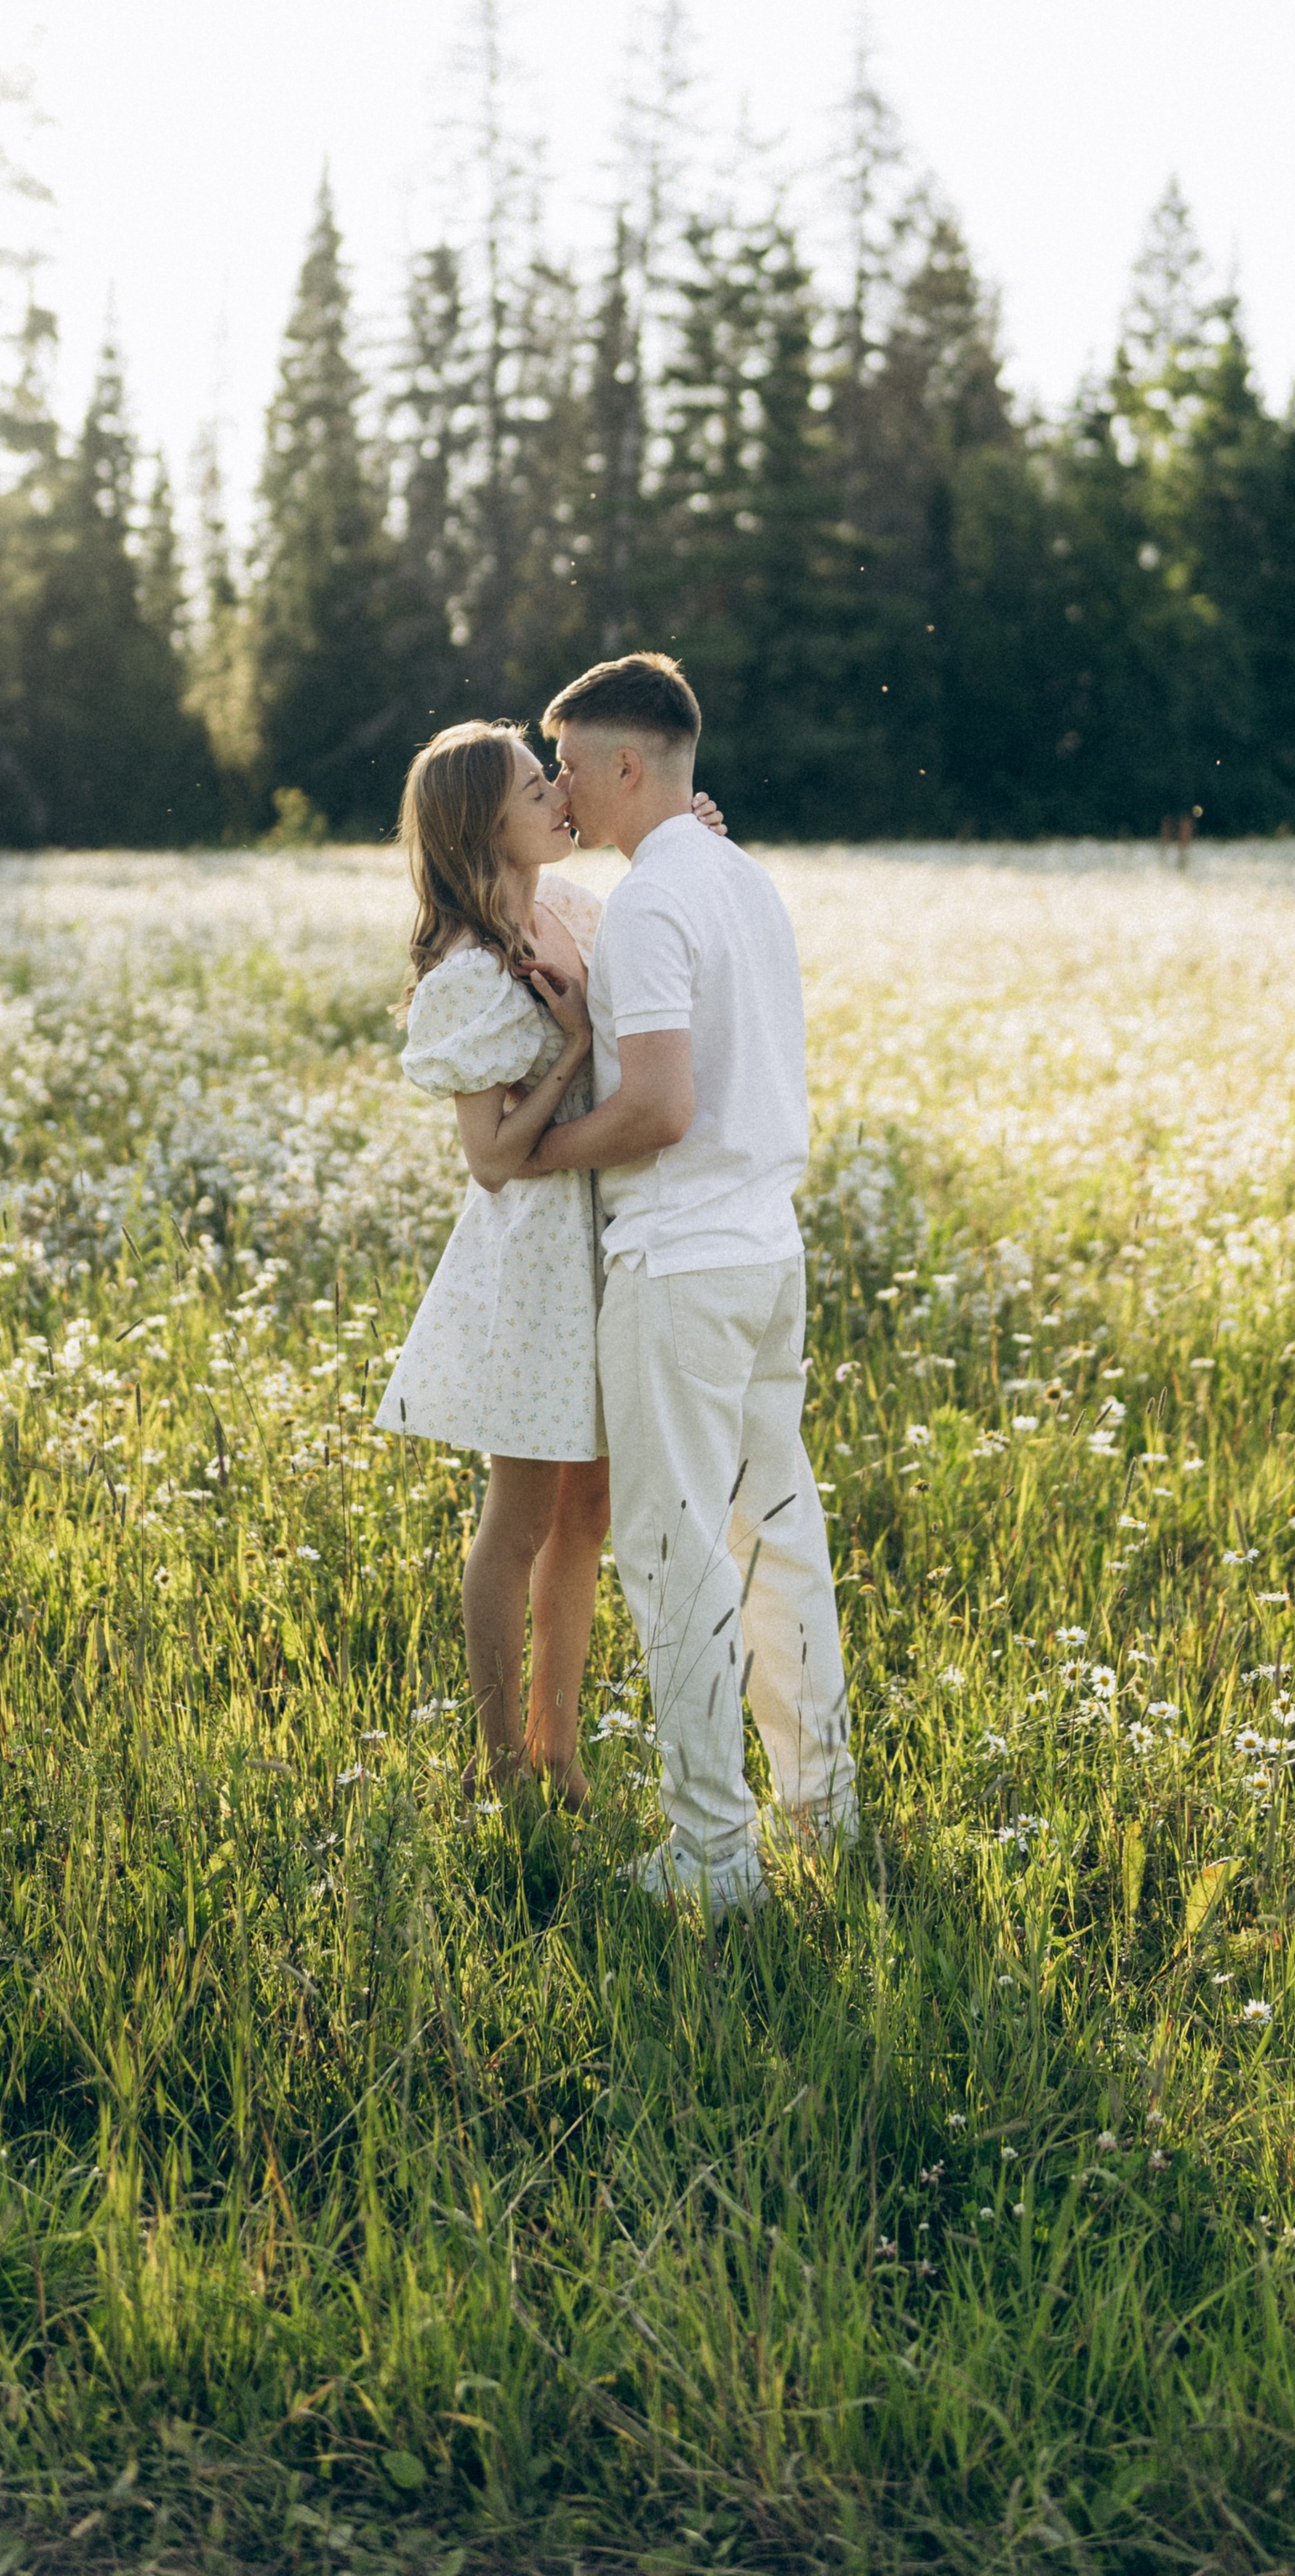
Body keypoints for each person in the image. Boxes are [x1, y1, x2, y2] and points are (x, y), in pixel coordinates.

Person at [519, 652, 857, 1914]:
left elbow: (661, 1106)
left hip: (679, 1265)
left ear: (625, 764)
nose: (559, 788)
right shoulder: (738, 876)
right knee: (779, 1539)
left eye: (568, 765)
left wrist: (540, 1150)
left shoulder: (657, 900)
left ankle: (713, 1857)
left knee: (673, 1557)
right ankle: (824, 1813)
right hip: (765, 1251)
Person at [373, 718, 725, 1806]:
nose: (560, 798)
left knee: (589, 1513)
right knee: (519, 1521)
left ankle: (557, 1750)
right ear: (485, 825)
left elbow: (653, 980)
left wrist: (691, 841)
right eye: (537, 789)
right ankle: (502, 1770)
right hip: (534, 1267)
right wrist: (570, 1049)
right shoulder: (468, 971)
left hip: (614, 1233)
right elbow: (489, 1161)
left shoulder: (570, 906)